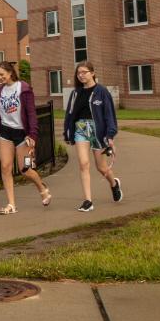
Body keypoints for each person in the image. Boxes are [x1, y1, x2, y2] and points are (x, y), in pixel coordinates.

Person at [0, 61, 51, 214]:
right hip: (5, 133)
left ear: (10, 73)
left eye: (1, 74)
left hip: (22, 135)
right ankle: (11, 204)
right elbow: (0, 114)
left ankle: (41, 187)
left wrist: (33, 135)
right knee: (5, 167)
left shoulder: (23, 88)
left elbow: (31, 113)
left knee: (25, 169)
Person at [62, 60, 122, 212]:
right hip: (80, 129)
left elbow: (109, 114)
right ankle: (88, 201)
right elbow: (69, 114)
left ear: (92, 73)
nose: (81, 75)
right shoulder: (76, 93)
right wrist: (68, 132)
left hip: (98, 131)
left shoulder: (101, 91)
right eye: (78, 73)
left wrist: (110, 135)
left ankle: (114, 184)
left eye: (84, 72)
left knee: (101, 168)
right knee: (83, 164)